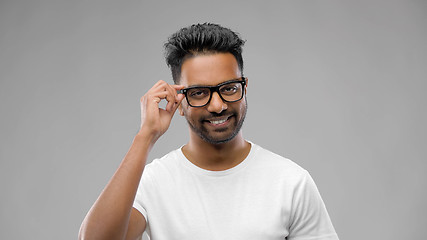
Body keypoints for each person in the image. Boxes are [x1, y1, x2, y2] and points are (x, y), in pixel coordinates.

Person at [79, 23, 339, 240]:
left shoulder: (291, 181)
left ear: (244, 87)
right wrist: (145, 137)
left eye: (228, 88)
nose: (218, 105)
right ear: (179, 100)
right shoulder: (153, 182)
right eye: (199, 93)